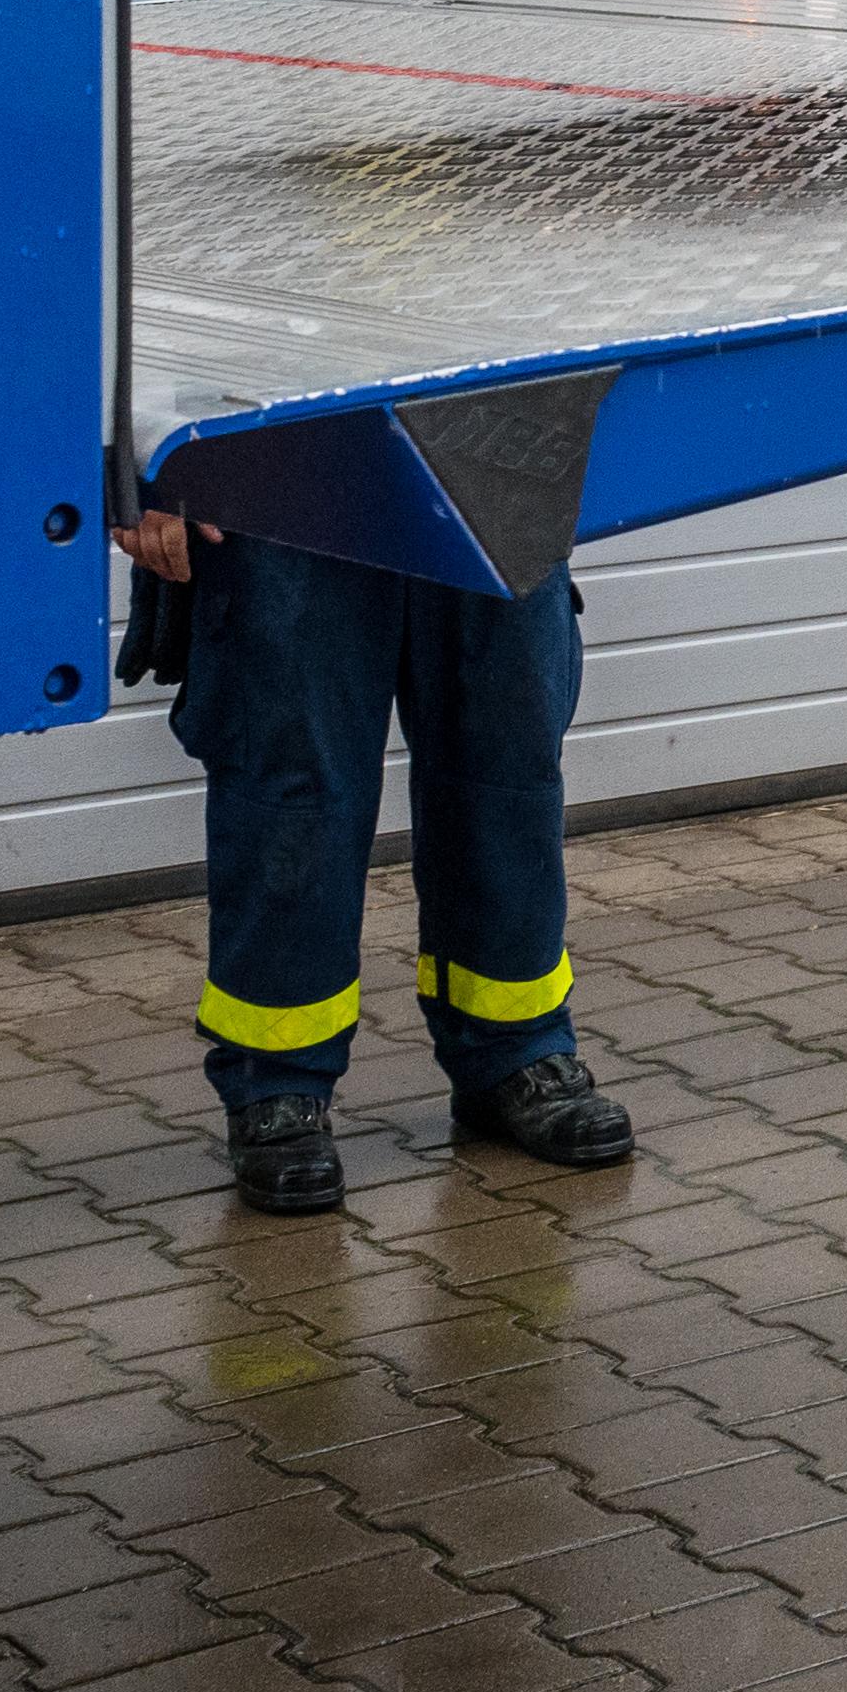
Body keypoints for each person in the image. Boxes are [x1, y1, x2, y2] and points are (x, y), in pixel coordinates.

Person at [110, 505, 636, 1212]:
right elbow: (115, 386)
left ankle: (515, 1052)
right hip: (281, 472)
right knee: (293, 793)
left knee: (505, 764)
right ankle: (277, 1085)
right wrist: (147, 476)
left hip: (495, 459)